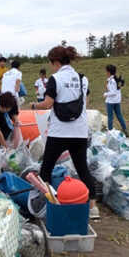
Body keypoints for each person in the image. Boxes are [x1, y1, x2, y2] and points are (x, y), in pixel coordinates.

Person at [30, 46, 100, 220]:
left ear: (56, 62)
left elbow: (47, 104)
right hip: (79, 132)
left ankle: (47, 204)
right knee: (82, 168)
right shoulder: (82, 79)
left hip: (59, 132)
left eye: (52, 64)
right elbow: (86, 103)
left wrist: (34, 106)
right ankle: (93, 208)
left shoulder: (55, 78)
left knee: (46, 168)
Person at [104, 65, 127, 136]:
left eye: (106, 71)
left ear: (108, 72)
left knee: (110, 117)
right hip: (117, 100)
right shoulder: (116, 79)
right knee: (119, 116)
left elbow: (112, 92)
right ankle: (125, 130)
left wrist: (105, 94)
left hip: (111, 101)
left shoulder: (111, 80)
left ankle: (110, 133)